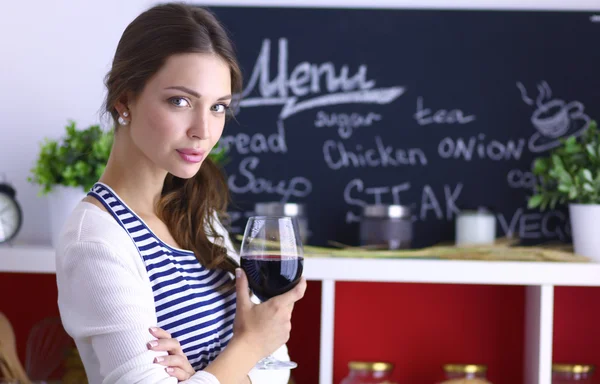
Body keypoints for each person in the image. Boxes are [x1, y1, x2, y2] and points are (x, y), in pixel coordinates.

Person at [54, 3, 307, 384]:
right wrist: (249, 347)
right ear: (124, 101)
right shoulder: (97, 242)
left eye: (219, 107)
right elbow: (261, 347)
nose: (203, 130)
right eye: (180, 101)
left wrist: (202, 375)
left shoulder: (196, 214)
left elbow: (277, 369)